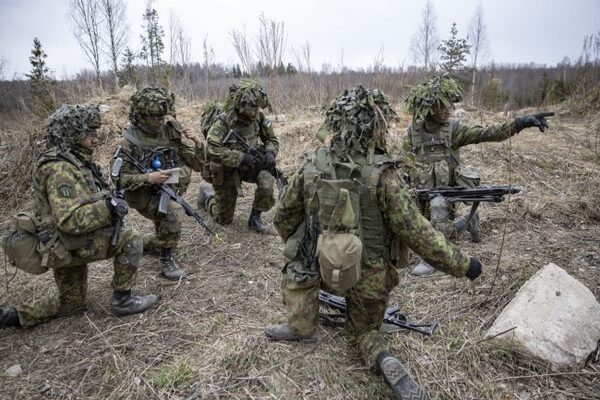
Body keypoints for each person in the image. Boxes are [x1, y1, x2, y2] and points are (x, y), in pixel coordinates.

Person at [264, 86, 483, 400]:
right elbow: (418, 233)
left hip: (322, 268)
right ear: (374, 127)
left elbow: (283, 217)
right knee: (364, 333)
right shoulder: (383, 175)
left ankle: (301, 326)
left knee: (298, 258)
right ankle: (382, 357)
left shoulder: (312, 164)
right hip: (369, 276)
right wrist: (465, 265)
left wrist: (312, 250)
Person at [0, 104, 157, 330]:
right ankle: (123, 300)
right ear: (72, 134)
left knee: (71, 305)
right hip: (68, 244)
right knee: (130, 237)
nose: (95, 139)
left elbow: (79, 200)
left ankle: (11, 317)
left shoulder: (72, 160)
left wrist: (106, 198)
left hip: (61, 242)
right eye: (89, 133)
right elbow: (70, 220)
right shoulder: (61, 169)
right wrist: (108, 207)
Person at [404, 76, 552, 276]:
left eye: (450, 105)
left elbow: (488, 133)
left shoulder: (453, 131)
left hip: (445, 195)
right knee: (413, 226)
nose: (448, 110)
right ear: (429, 108)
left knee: (438, 209)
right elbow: (401, 162)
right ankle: (469, 221)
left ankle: (432, 260)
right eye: (442, 106)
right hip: (420, 193)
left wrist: (520, 123)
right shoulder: (412, 133)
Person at [116, 87, 205, 281]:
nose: (160, 120)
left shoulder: (171, 132)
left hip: (168, 190)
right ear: (141, 115)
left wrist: (198, 143)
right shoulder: (129, 142)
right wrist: (149, 178)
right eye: (155, 116)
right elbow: (120, 180)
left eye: (162, 116)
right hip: (143, 194)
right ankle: (166, 259)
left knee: (167, 221)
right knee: (174, 213)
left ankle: (149, 243)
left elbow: (198, 165)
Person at [197, 79, 279, 234]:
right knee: (223, 219)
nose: (256, 111)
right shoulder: (223, 121)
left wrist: (270, 152)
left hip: (251, 164)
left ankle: (255, 219)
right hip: (227, 169)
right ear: (241, 105)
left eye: (258, 107)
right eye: (252, 107)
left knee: (267, 181)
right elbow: (212, 148)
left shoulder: (258, 118)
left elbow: (272, 139)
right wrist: (239, 157)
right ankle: (206, 195)